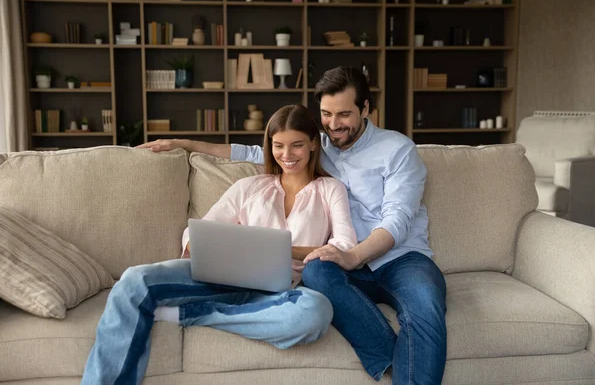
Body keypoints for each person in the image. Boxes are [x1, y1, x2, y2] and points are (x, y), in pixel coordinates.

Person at [138, 66, 447, 385]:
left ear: (366, 108)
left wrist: (352, 256)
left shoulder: (397, 150)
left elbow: (397, 220)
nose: (334, 124)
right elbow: (260, 150)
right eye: (327, 114)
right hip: (344, 263)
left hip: (400, 259)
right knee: (315, 271)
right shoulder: (319, 146)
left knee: (425, 306)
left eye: (344, 114)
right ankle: (389, 359)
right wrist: (184, 142)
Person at [82, 104, 357, 385]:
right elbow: (201, 229)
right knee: (133, 280)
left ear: (313, 144)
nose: (287, 155)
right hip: (221, 279)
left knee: (316, 311)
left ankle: (191, 315)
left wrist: (283, 250)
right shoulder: (250, 186)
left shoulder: (329, 189)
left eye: (297, 145)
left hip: (278, 293)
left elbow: (344, 244)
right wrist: (194, 247)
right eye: (278, 146)